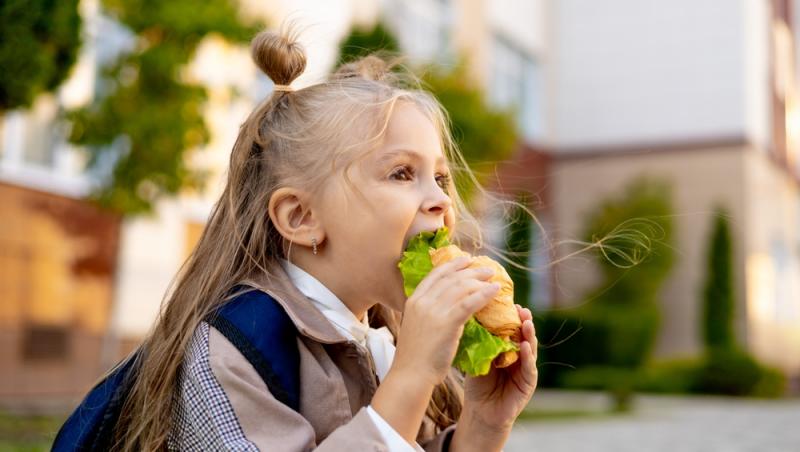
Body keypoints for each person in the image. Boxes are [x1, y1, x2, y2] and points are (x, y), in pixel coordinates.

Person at [112, 26, 538, 451]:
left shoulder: (378, 339)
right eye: (402, 173)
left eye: (440, 178)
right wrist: (411, 375)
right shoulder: (234, 347)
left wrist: (481, 425)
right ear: (301, 217)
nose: (441, 201)